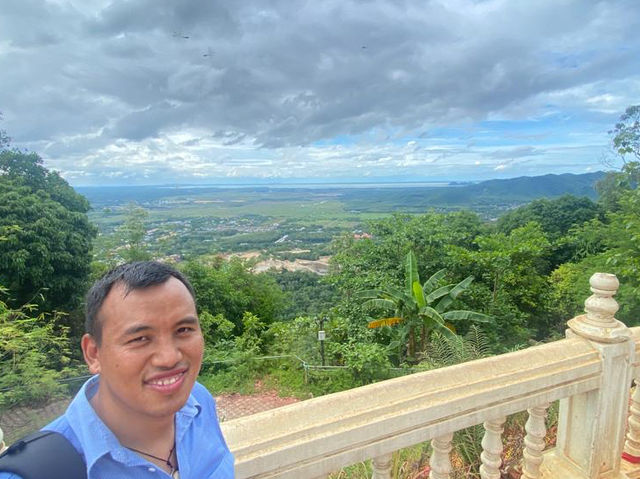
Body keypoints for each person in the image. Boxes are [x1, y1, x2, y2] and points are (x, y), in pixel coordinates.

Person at [0, 261, 234, 478]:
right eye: (140, 338)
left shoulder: (199, 403)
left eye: (183, 330)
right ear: (93, 353)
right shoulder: (34, 473)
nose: (169, 357)